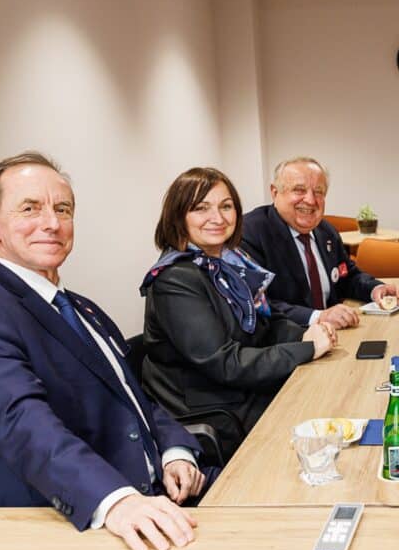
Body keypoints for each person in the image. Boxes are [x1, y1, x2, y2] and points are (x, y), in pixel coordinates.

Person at [0, 152, 215, 550]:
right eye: (29, 208)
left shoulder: (81, 307)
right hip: (89, 521)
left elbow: (134, 398)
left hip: (161, 493)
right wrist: (118, 500)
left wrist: (176, 451)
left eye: (62, 209)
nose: (51, 223)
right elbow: (24, 425)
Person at [141, 167, 337, 457]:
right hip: (214, 407)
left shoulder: (229, 262)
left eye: (226, 206)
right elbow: (226, 364)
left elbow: (262, 326)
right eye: (201, 208)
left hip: (240, 389)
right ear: (178, 216)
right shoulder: (175, 278)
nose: (218, 218)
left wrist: (307, 332)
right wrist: (307, 348)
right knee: (323, 417)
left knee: (330, 393)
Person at [240, 157, 399, 329]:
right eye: (299, 190)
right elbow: (256, 303)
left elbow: (347, 277)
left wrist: (375, 289)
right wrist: (318, 317)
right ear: (275, 192)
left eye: (318, 191)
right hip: (287, 342)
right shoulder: (250, 233)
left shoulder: (326, 231)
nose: (311, 200)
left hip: (336, 337)